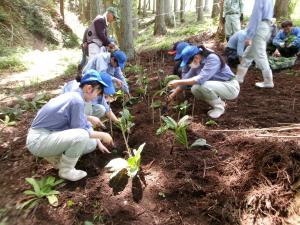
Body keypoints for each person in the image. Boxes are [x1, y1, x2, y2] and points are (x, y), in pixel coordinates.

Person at [26, 69, 114, 182]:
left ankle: (57, 158)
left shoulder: (74, 97)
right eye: (98, 92)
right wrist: (103, 135)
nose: (97, 96)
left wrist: (98, 140)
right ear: (88, 88)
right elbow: (81, 130)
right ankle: (66, 170)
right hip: (38, 140)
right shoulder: (77, 100)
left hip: (47, 135)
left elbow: (82, 123)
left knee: (90, 143)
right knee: (82, 135)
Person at [167, 45, 240, 119]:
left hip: (231, 87)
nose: (189, 65)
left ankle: (219, 109)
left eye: (189, 62)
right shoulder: (197, 64)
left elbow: (200, 79)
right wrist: (173, 94)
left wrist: (178, 82)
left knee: (202, 85)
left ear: (196, 57)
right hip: (220, 87)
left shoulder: (212, 59)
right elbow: (187, 78)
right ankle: (220, 104)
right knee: (195, 89)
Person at [235, 0, 274, 88]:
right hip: (266, 26)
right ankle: (239, 77)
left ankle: (268, 81)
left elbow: (256, 16)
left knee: (260, 55)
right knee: (248, 54)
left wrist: (249, 35)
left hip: (259, 27)